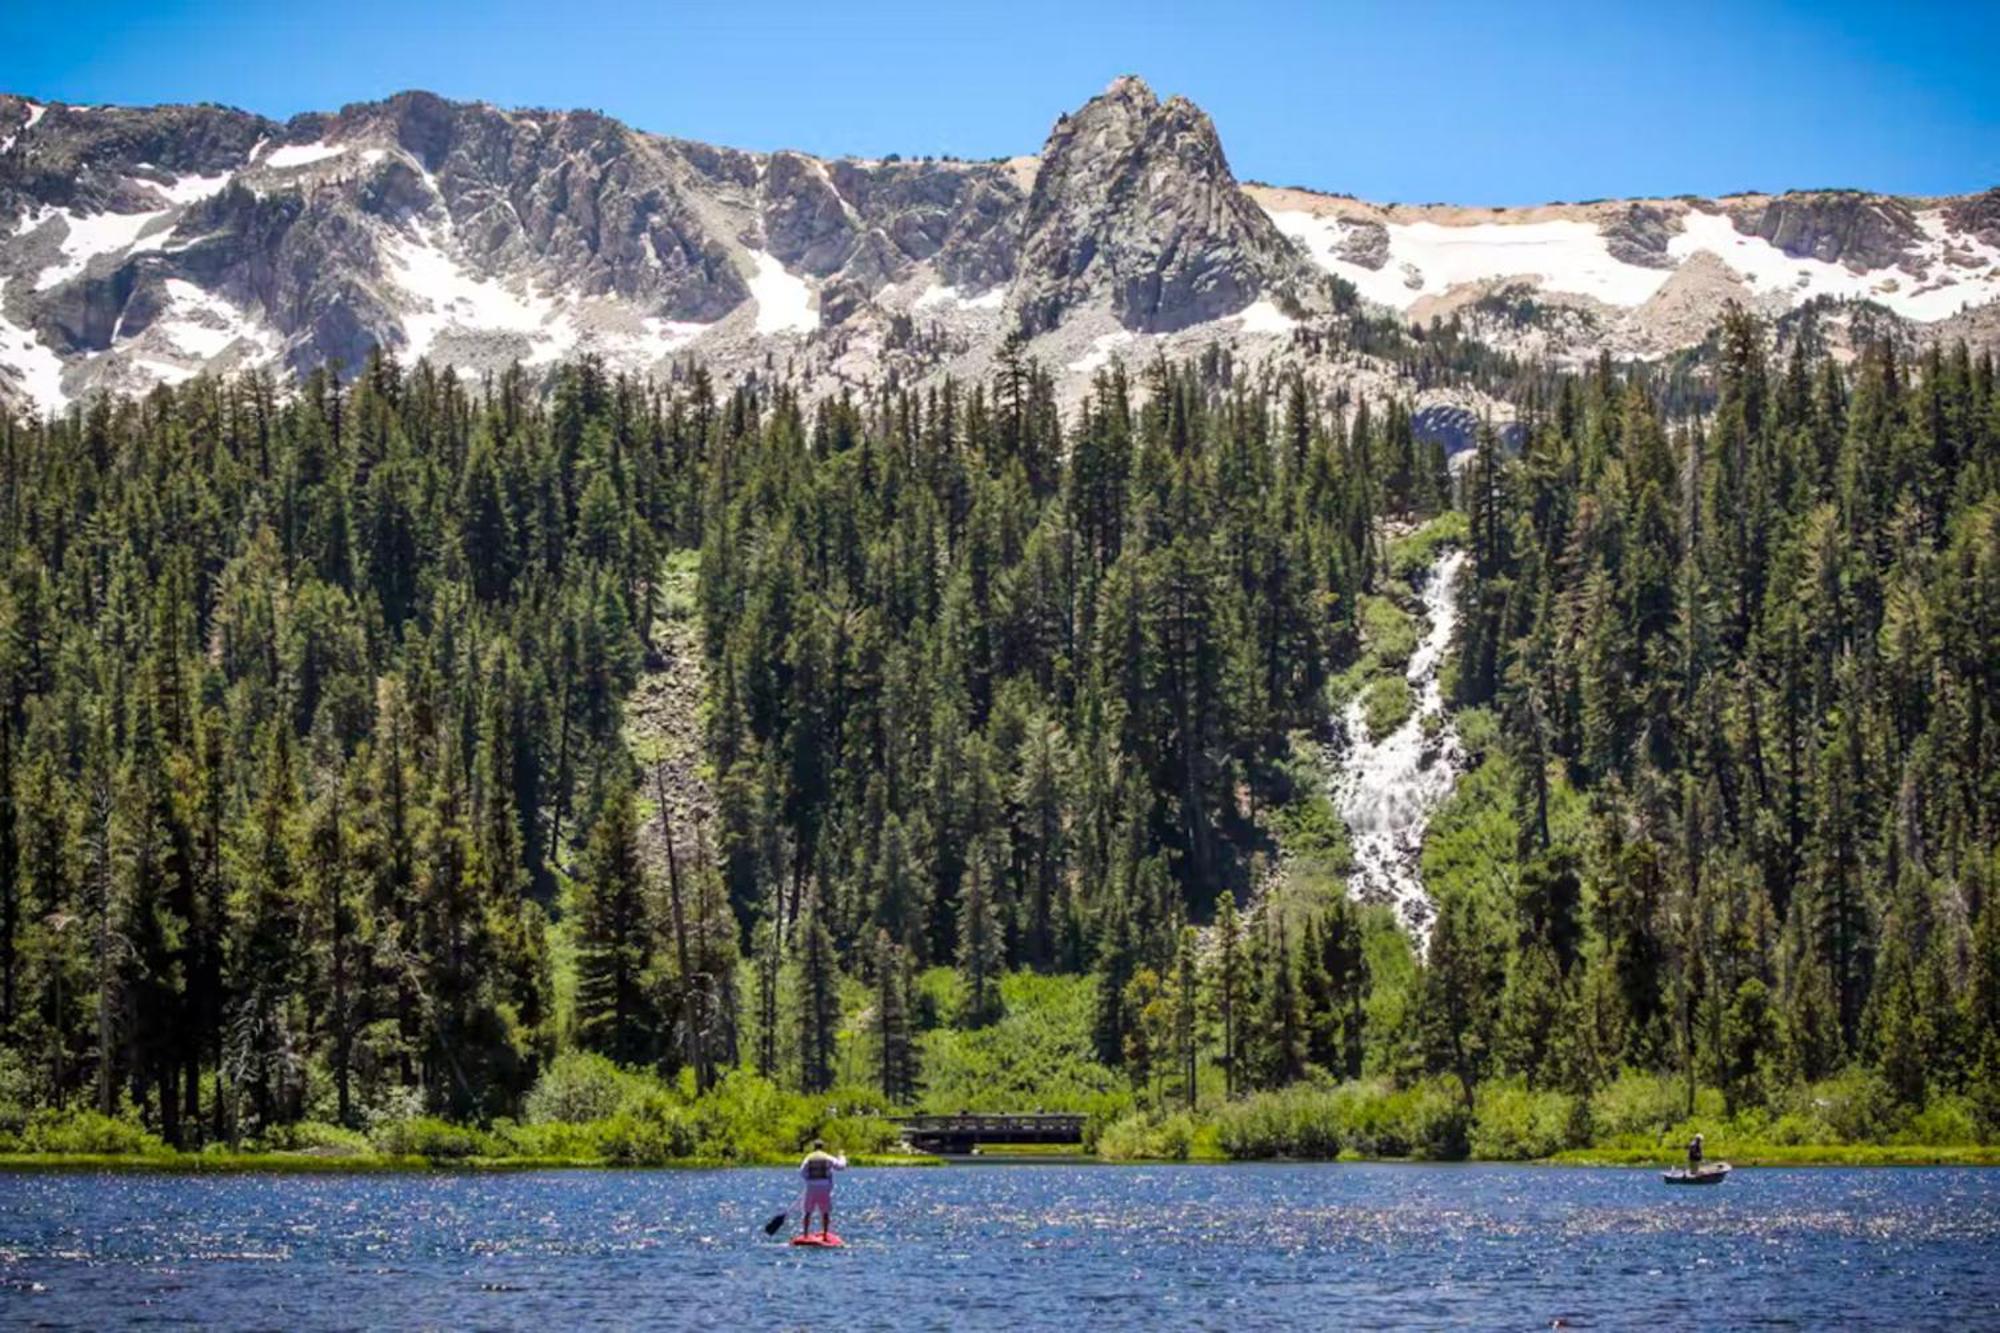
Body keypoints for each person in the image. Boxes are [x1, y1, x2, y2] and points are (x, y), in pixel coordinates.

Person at [798, 1139, 848, 1238]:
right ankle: (825, 1234)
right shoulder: (827, 1157)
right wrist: (842, 1157)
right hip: (824, 1187)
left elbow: (802, 1172)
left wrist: (809, 1180)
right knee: (825, 1211)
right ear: (822, 1147)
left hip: (811, 1187)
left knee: (807, 1211)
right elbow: (841, 1166)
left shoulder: (808, 1158)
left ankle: (805, 1235)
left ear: (814, 1147)